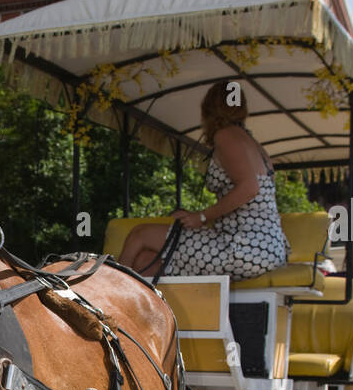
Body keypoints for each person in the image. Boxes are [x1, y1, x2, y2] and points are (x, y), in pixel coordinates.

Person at [119, 79, 290, 280]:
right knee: (146, 262)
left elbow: (249, 188)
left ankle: (107, 297)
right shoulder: (251, 142)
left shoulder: (226, 135)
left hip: (244, 246)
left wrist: (201, 217)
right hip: (267, 248)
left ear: (209, 108)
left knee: (140, 234)